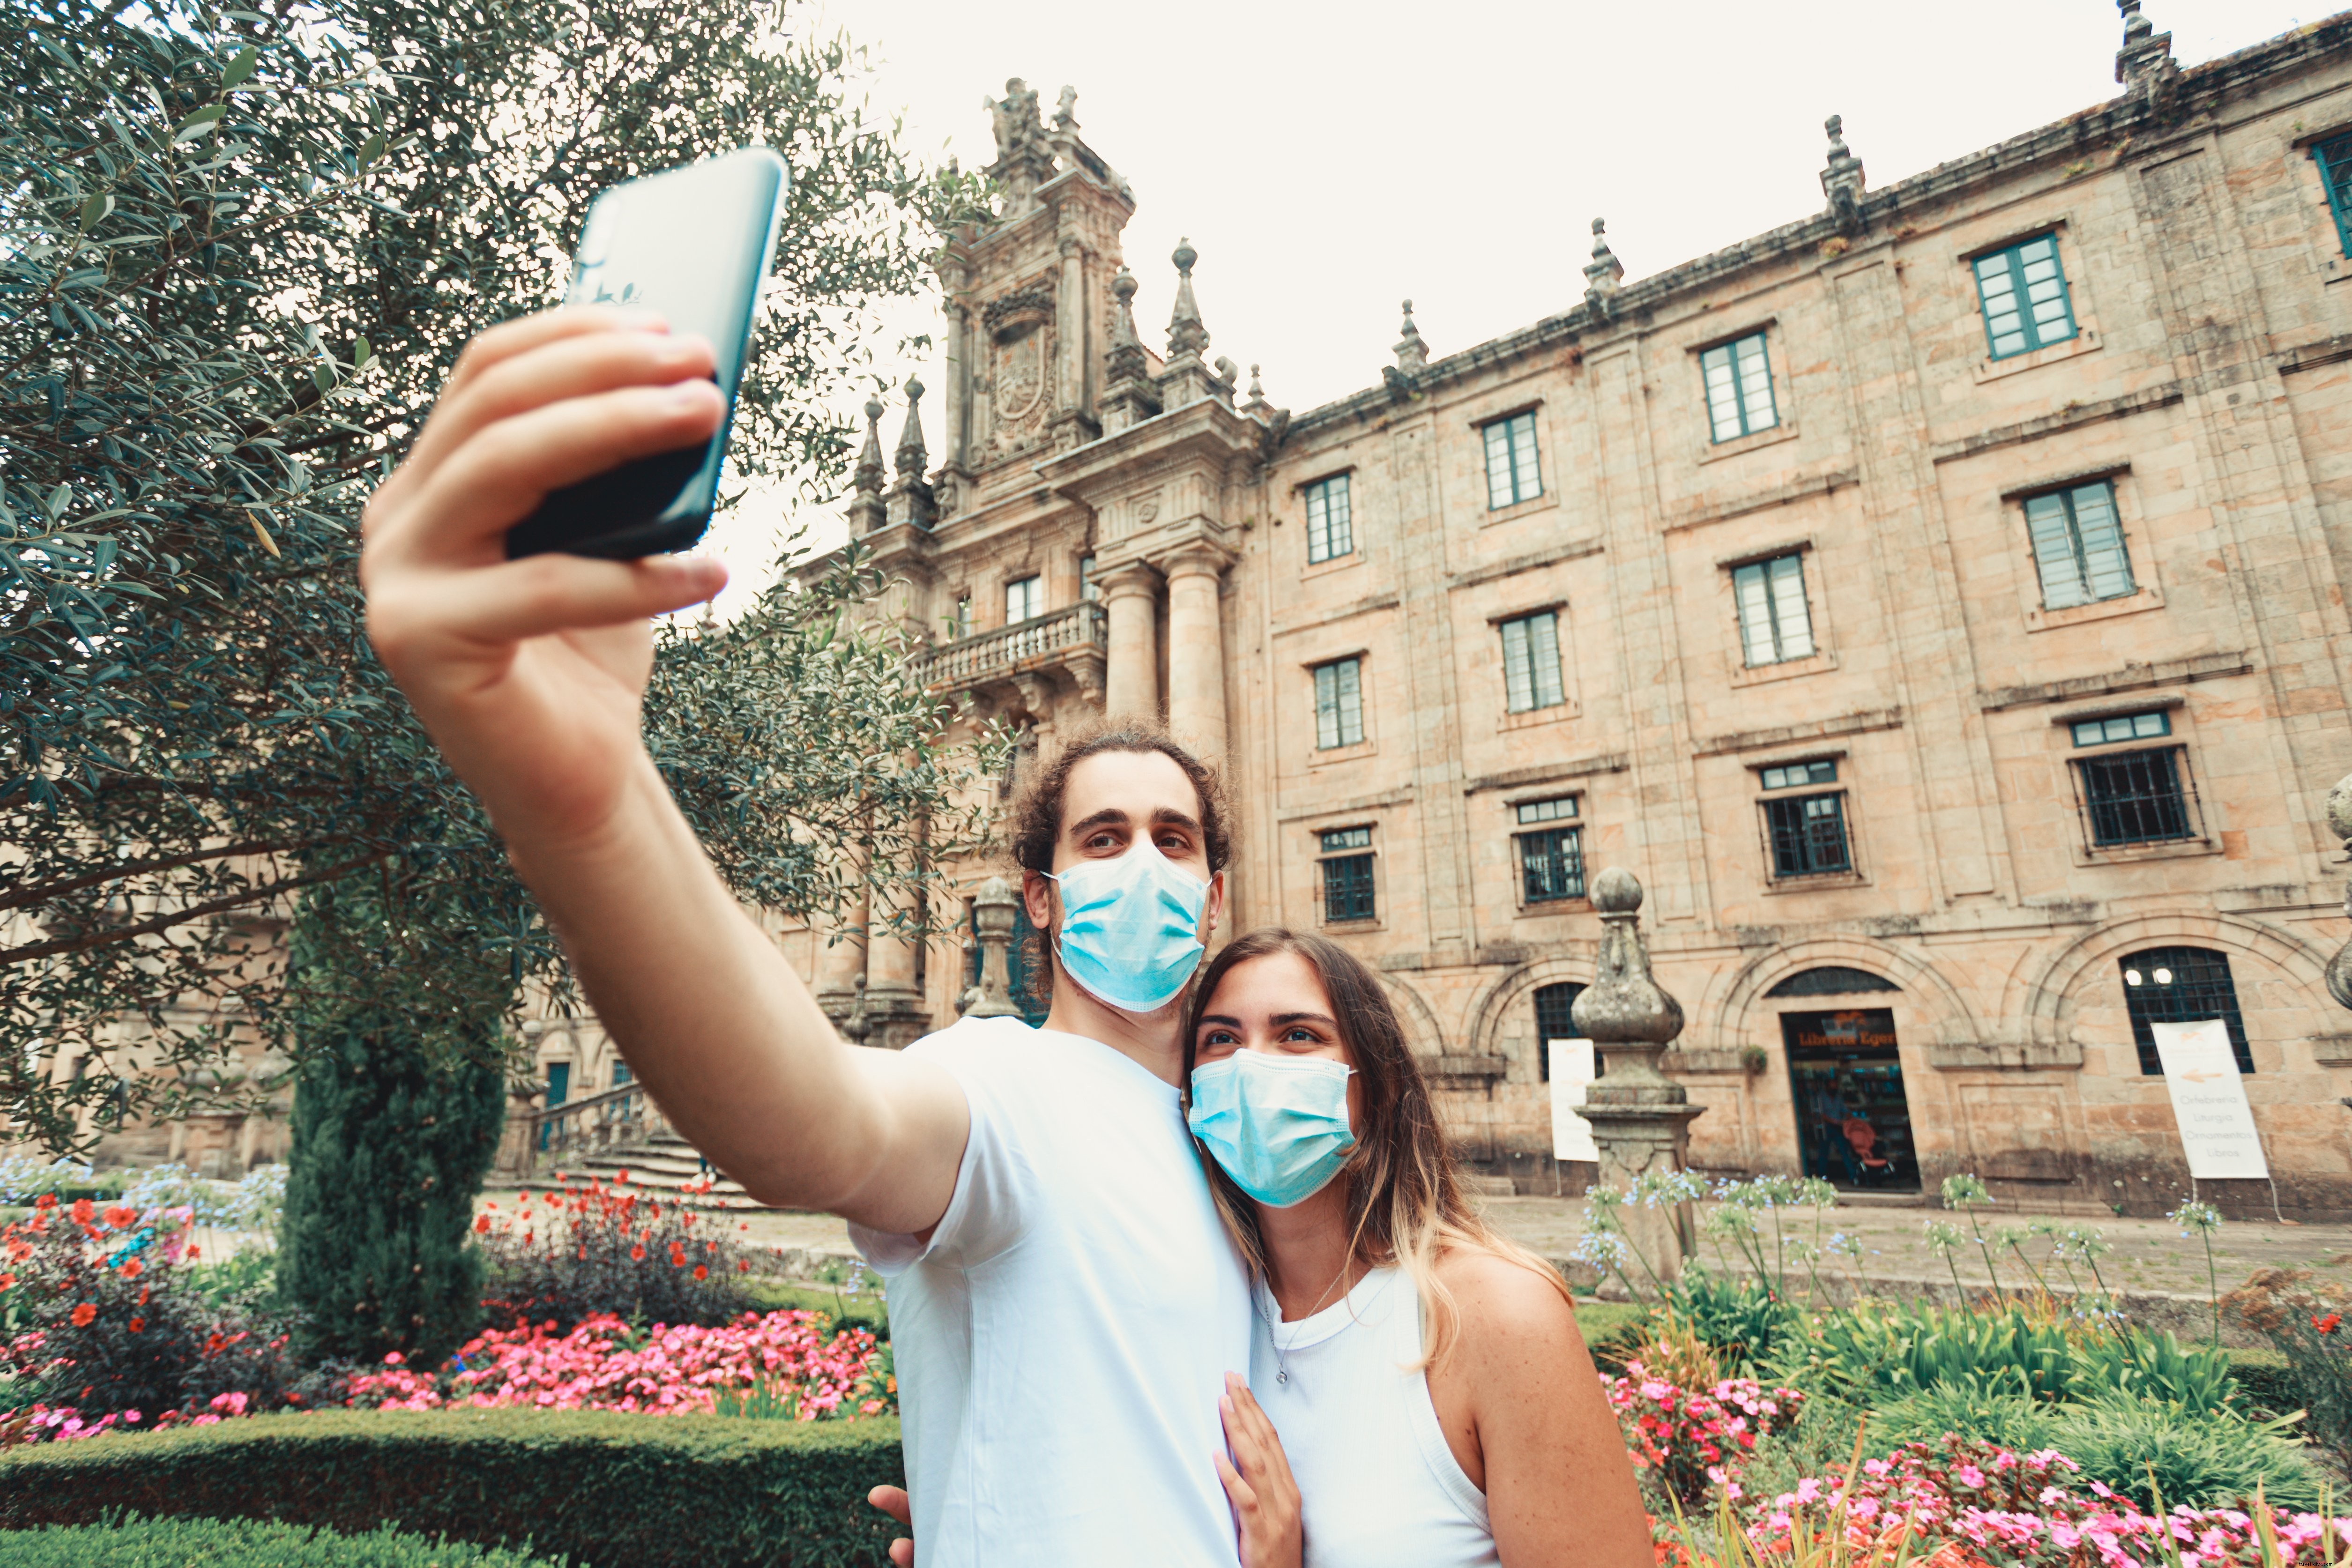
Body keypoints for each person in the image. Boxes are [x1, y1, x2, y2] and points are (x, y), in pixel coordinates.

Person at [360, 305, 1254, 1566]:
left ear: (1218, 891)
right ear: (1039, 894)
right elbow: (806, 1122)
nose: (1144, 865)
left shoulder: (1252, 1127)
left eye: (1174, 837)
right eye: (1101, 838)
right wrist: (595, 810)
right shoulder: (993, 1091)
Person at [1187, 930, 1652, 1568]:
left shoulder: (1497, 1316)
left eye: (1298, 1035)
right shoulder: (1206, 1314)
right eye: (1222, 1039)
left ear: (1373, 1084)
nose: (1251, 1066)